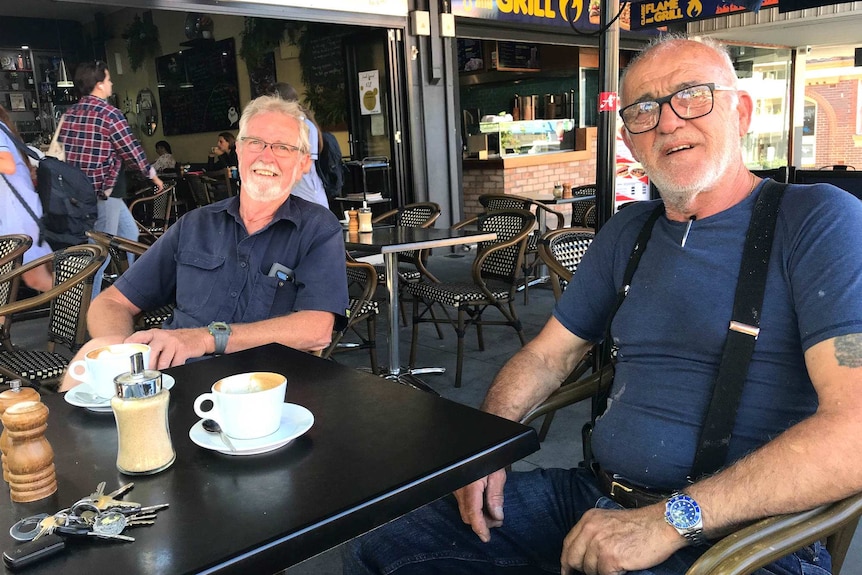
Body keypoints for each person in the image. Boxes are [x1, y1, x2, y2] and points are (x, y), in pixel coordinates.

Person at [345, 35, 862, 574]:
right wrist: (487, 447)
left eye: (692, 95)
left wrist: (670, 519)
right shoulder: (628, 232)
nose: (667, 122)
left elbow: (855, 431)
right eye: (643, 110)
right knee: (380, 544)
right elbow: (548, 357)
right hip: (593, 499)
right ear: (630, 141)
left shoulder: (815, 220)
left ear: (742, 111)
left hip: (743, 541)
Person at [59, 95, 349, 389]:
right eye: (255, 142)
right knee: (87, 360)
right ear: (238, 151)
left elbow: (317, 330)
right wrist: (126, 353)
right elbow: (110, 302)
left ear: (302, 164)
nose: (266, 156)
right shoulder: (194, 224)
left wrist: (203, 338)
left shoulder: (317, 229)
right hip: (175, 384)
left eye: (283, 147)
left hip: (260, 391)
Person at [60, 60, 163, 298]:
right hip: (103, 192)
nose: (111, 83)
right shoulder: (109, 113)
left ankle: (129, 293)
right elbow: (130, 149)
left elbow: (63, 151)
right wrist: (152, 175)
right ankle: (91, 309)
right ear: (98, 85)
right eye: (108, 79)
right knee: (100, 254)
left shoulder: (71, 113)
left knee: (129, 235)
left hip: (78, 193)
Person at [0, 105, 53, 292]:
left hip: (19, 219)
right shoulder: (4, 129)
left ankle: (89, 309)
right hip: (19, 216)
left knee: (36, 279)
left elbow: (7, 164)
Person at [272, 83, 329, 207]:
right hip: (296, 195)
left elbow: (305, 168)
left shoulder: (304, 126)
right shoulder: (289, 124)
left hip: (307, 197)